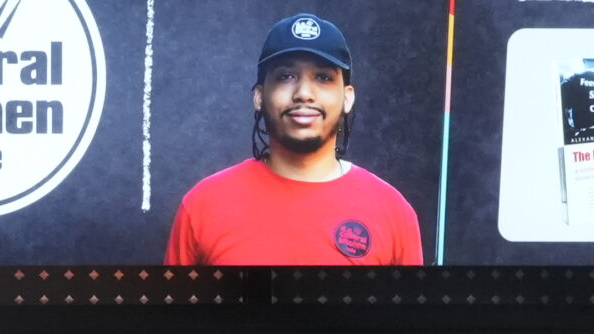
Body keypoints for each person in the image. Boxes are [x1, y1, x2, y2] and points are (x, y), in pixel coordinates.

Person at [164, 14, 424, 266]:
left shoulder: (394, 213)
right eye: (286, 76)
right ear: (259, 96)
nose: (304, 93)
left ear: (347, 98)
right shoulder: (203, 205)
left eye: (323, 77)